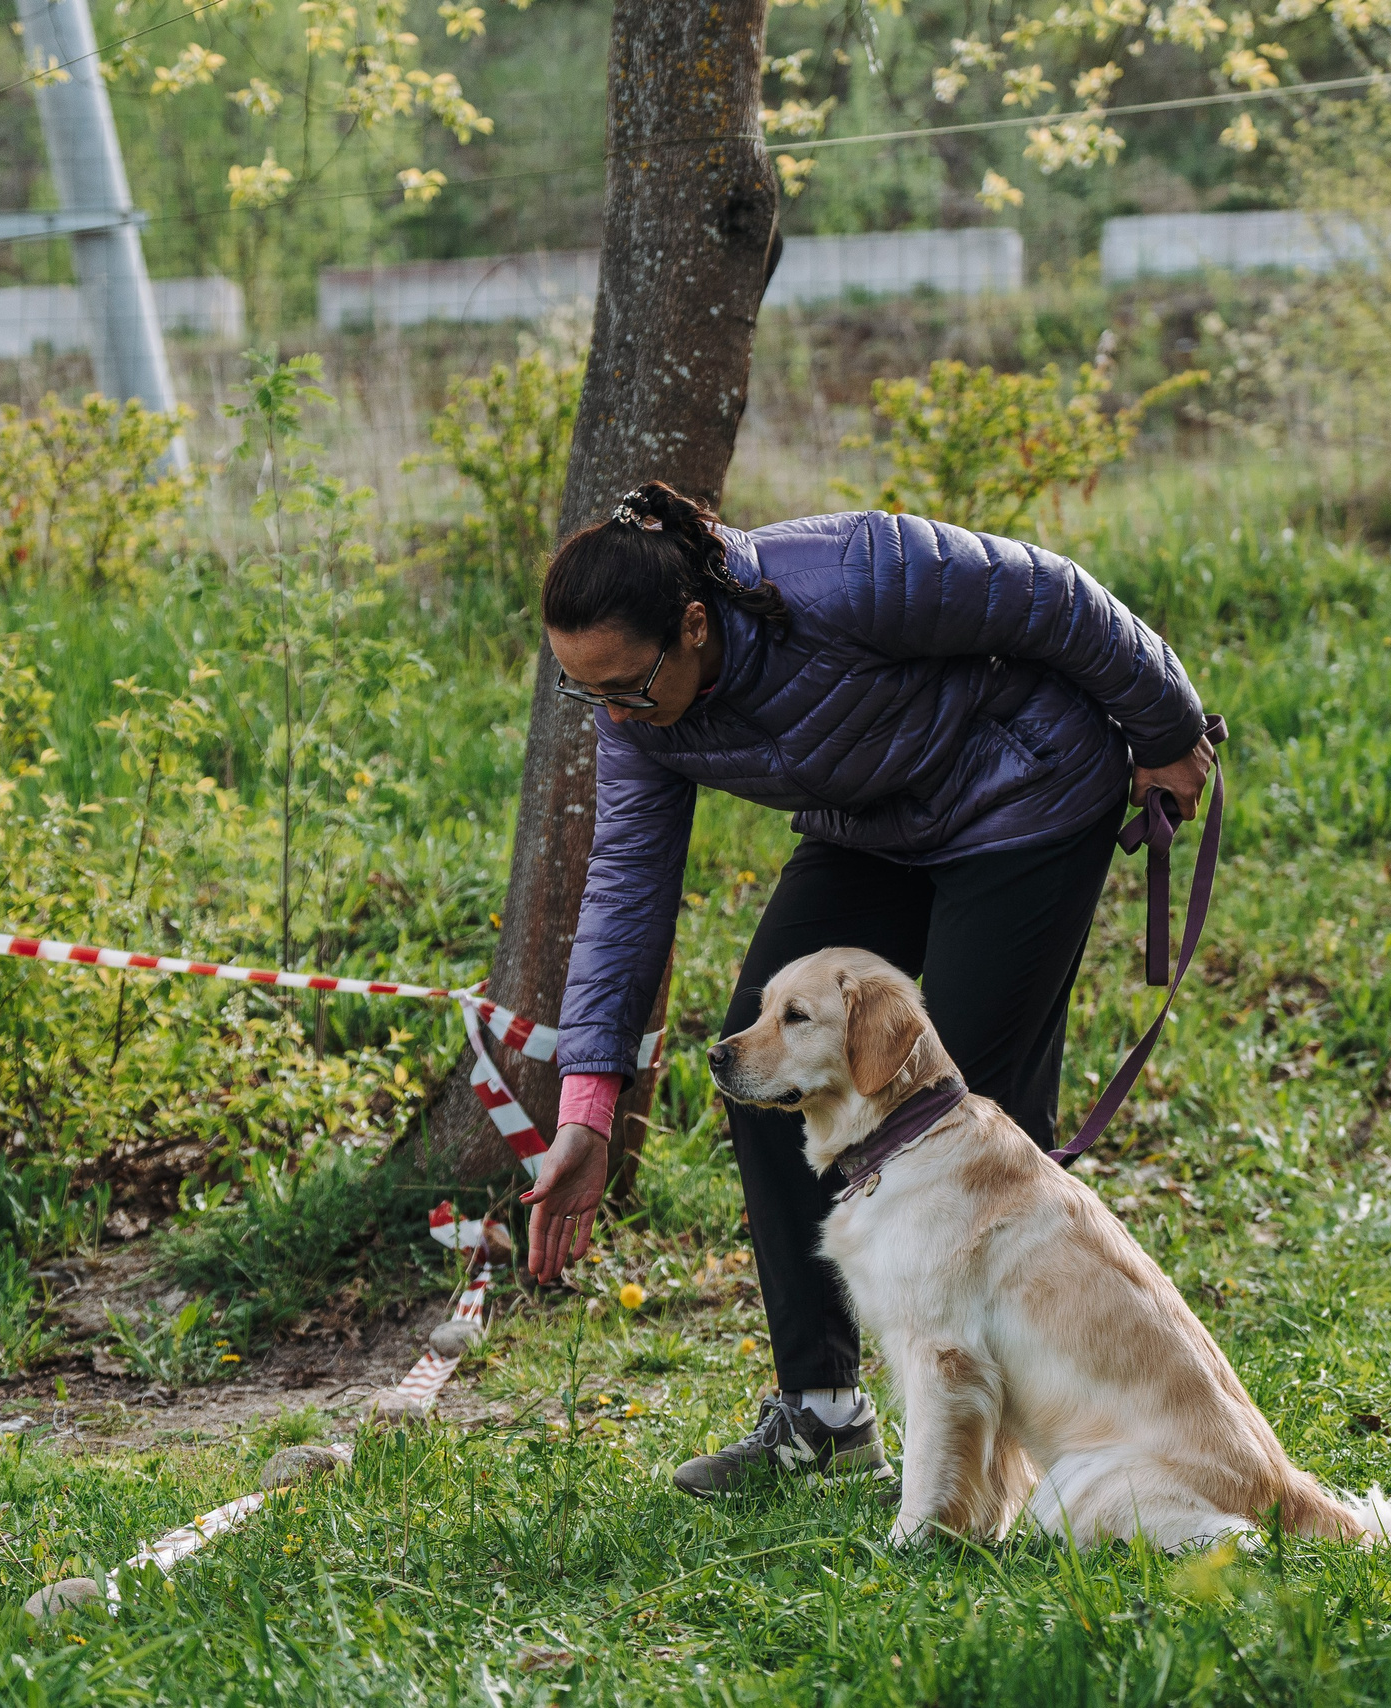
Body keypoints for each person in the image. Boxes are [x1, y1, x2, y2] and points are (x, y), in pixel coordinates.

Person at [519, 481, 1212, 1494]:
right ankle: (823, 1418)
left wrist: (1164, 731)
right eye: (590, 694)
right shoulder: (643, 719)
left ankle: (1017, 1435)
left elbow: (1054, 598)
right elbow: (625, 890)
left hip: (1023, 791)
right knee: (760, 1070)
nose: (615, 714)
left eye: (626, 686)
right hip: (872, 829)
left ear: (697, 624)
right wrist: (589, 1104)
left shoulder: (847, 576)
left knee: (959, 1109)